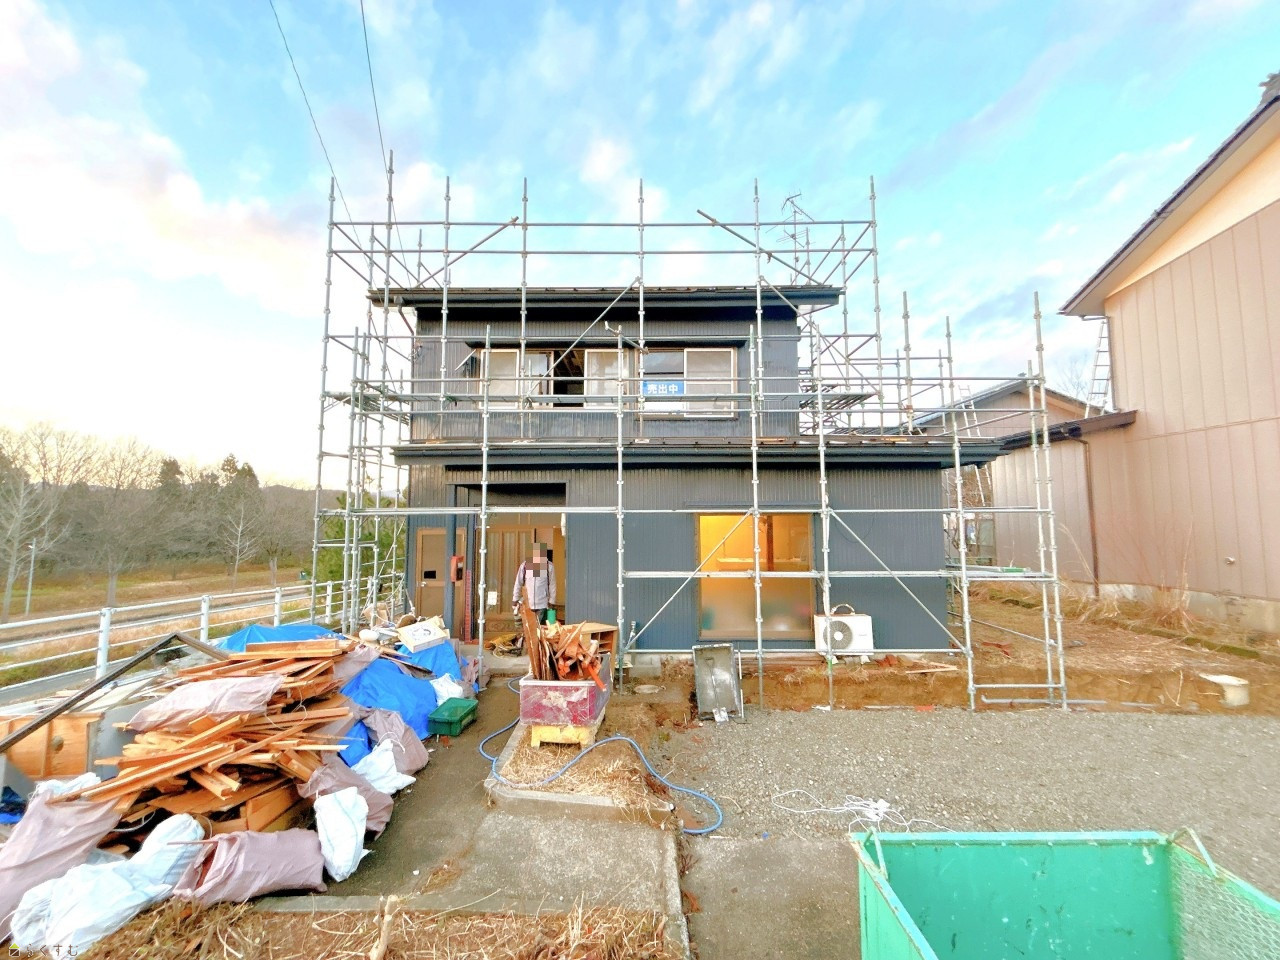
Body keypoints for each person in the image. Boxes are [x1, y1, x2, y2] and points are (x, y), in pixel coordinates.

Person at [512, 542, 556, 625]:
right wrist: (515, 599)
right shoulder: (525, 565)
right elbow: (518, 583)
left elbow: (552, 584)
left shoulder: (549, 566)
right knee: (529, 629)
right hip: (528, 604)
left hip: (543, 605)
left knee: (540, 629)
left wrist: (552, 601)